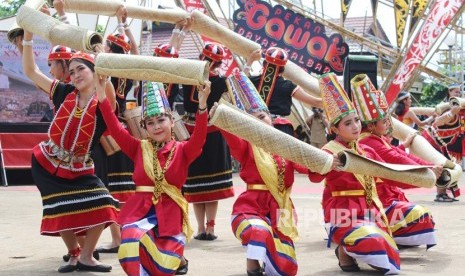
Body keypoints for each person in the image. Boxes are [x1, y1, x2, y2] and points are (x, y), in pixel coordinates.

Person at [211, 71, 334, 276]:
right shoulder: (245, 146)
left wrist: (329, 161)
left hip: (281, 211)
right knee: (258, 230)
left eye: (262, 117)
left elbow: (310, 169)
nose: (259, 122)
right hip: (251, 208)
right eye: (252, 121)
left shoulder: (285, 146)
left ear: (271, 118)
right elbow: (229, 133)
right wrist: (218, 112)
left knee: (287, 269)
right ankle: (253, 267)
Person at [20, 27, 119, 273]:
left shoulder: (103, 104)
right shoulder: (63, 92)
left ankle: (87, 256)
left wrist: (98, 54)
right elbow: (31, 71)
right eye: (72, 71)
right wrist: (29, 39)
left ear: (95, 72)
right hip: (47, 161)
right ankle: (75, 255)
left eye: (81, 69)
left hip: (80, 165)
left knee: (103, 204)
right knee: (61, 209)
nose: (75, 75)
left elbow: (108, 92)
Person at [97, 73, 210, 275]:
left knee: (164, 266)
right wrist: (101, 91)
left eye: (161, 120)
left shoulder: (183, 150)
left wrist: (202, 105)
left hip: (170, 213)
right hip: (140, 210)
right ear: (145, 127)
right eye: (150, 123)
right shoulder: (138, 148)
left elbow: (200, 138)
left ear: (172, 122)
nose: (157, 126)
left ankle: (179, 260)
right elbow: (114, 127)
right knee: (131, 238)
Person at [310, 73, 401, 274]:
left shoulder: (366, 150)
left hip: (371, 210)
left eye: (357, 121)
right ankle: (345, 248)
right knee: (375, 245)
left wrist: (427, 170)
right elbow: (313, 175)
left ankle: (346, 253)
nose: (355, 126)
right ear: (334, 128)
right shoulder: (329, 150)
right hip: (344, 212)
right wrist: (325, 163)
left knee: (391, 258)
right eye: (348, 123)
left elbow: (391, 169)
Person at [352, 74, 439, 249]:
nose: (388, 124)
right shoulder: (367, 141)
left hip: (382, 197)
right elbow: (396, 159)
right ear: (370, 126)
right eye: (384, 121)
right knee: (422, 217)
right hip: (371, 203)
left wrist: (429, 166)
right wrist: (429, 169)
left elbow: (397, 155)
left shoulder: (375, 138)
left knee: (421, 219)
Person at [95, 5, 139, 254]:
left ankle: (118, 238)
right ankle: (124, 235)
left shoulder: (107, 72)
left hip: (111, 131)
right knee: (124, 187)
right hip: (125, 130)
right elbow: (134, 50)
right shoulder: (129, 70)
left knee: (113, 187)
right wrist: (123, 24)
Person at [182, 42, 235, 240]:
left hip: (192, 129)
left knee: (198, 183)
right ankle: (209, 228)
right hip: (211, 131)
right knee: (210, 184)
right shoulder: (223, 81)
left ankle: (202, 228)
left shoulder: (187, 75)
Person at [245, 47, 322, 136]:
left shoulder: (251, 81)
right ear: (282, 68)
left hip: (255, 125)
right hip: (280, 128)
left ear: (264, 63)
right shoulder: (288, 86)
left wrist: (250, 61)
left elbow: (236, 83)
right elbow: (316, 102)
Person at [422, 86, 463, 202]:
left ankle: (444, 193)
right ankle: (440, 195)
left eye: (460, 92)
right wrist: (451, 113)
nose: (458, 94)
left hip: (445, 142)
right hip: (434, 140)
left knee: (450, 166)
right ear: (449, 93)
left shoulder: (458, 107)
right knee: (442, 166)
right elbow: (437, 122)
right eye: (456, 92)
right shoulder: (445, 107)